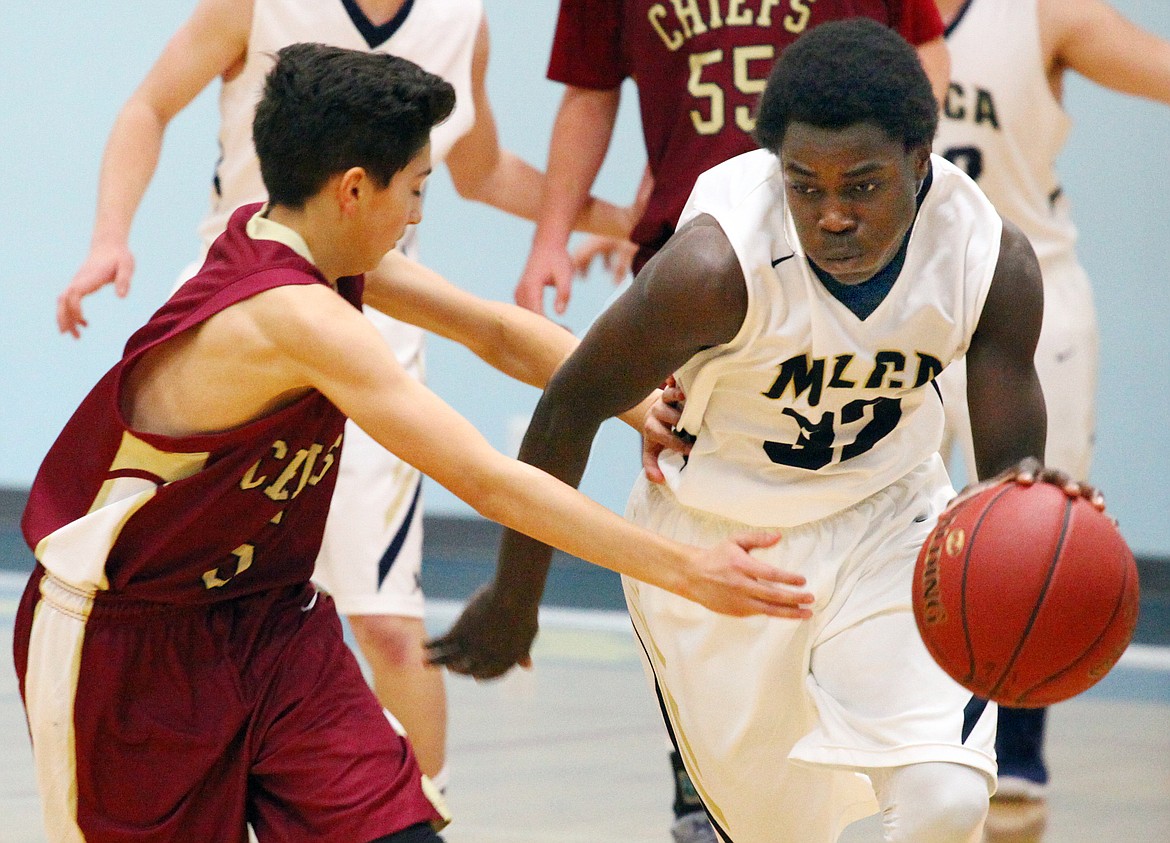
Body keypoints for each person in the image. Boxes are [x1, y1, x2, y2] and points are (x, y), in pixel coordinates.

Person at [15, 44, 808, 843]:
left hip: (272, 624)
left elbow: (495, 330)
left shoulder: (304, 245)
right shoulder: (293, 318)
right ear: (354, 190)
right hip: (136, 648)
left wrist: (638, 399)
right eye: (418, 189)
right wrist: (688, 568)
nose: (421, 213)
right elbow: (487, 480)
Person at [429, 20, 1106, 843]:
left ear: (919, 159)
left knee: (946, 801)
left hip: (891, 523)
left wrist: (1042, 507)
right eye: (804, 186)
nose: (831, 216)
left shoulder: (990, 261)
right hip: (724, 550)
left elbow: (1008, 479)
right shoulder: (713, 269)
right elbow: (568, 407)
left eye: (861, 186)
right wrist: (515, 596)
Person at [52, 0, 633, 789]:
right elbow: (149, 104)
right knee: (185, 609)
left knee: (387, 626)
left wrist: (628, 220)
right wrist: (107, 236)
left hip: (369, 318)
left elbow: (484, 172)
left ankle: (421, 810)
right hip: (241, 314)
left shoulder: (462, 23)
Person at [931, 0, 1170, 802]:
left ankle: (1016, 753)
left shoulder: (1044, 13)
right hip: (909, 301)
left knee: (1037, 516)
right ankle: (913, 729)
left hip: (1033, 295)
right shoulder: (857, 12)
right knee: (899, 509)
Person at [512, 0, 953, 317]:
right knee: (681, 437)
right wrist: (550, 240)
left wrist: (906, 156)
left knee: (866, 436)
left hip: (850, 247)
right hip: (693, 252)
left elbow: (925, 46)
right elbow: (591, 91)